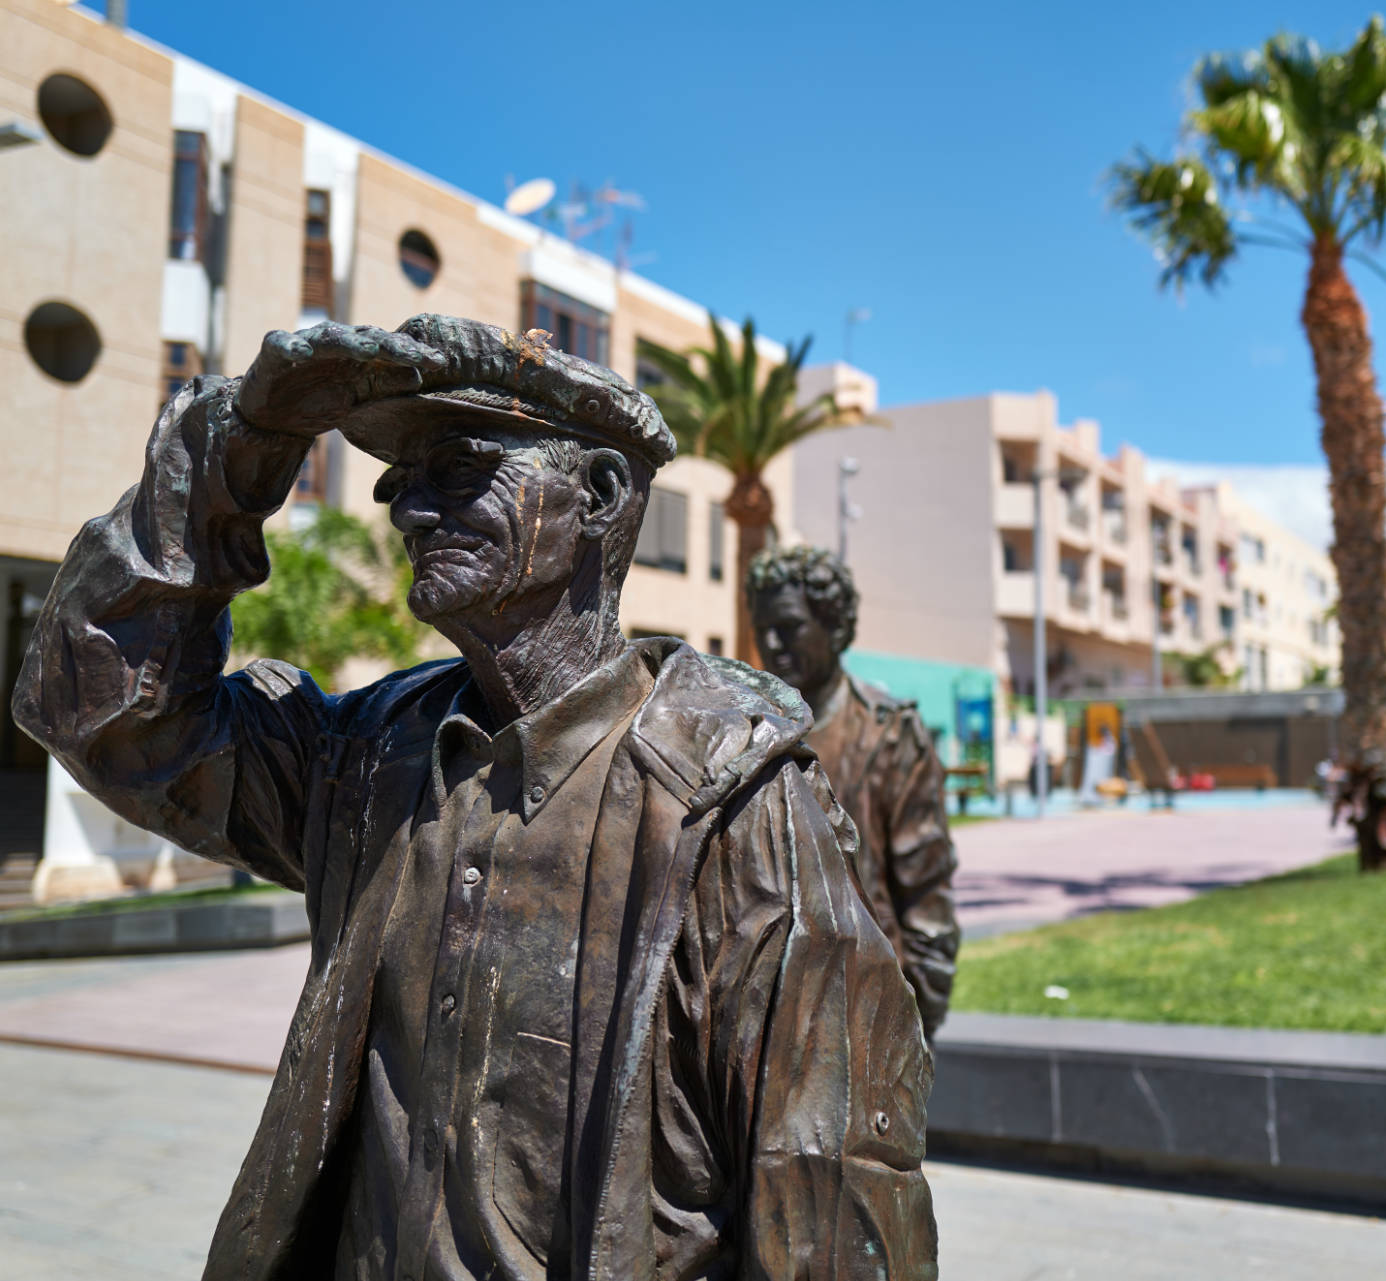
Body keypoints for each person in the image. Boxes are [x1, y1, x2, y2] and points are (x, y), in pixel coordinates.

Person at [11, 318, 936, 1280]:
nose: (410, 510)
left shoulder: (734, 808)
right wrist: (235, 449)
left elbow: (834, 1208)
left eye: (455, 470)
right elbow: (102, 714)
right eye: (398, 481)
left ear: (600, 496)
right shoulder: (365, 758)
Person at [747, 546, 960, 1036]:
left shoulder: (887, 732)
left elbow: (925, 887)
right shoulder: (744, 728)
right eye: (763, 629)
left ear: (835, 628)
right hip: (762, 1009)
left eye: (791, 627)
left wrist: (918, 1018)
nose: (773, 644)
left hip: (866, 1004)